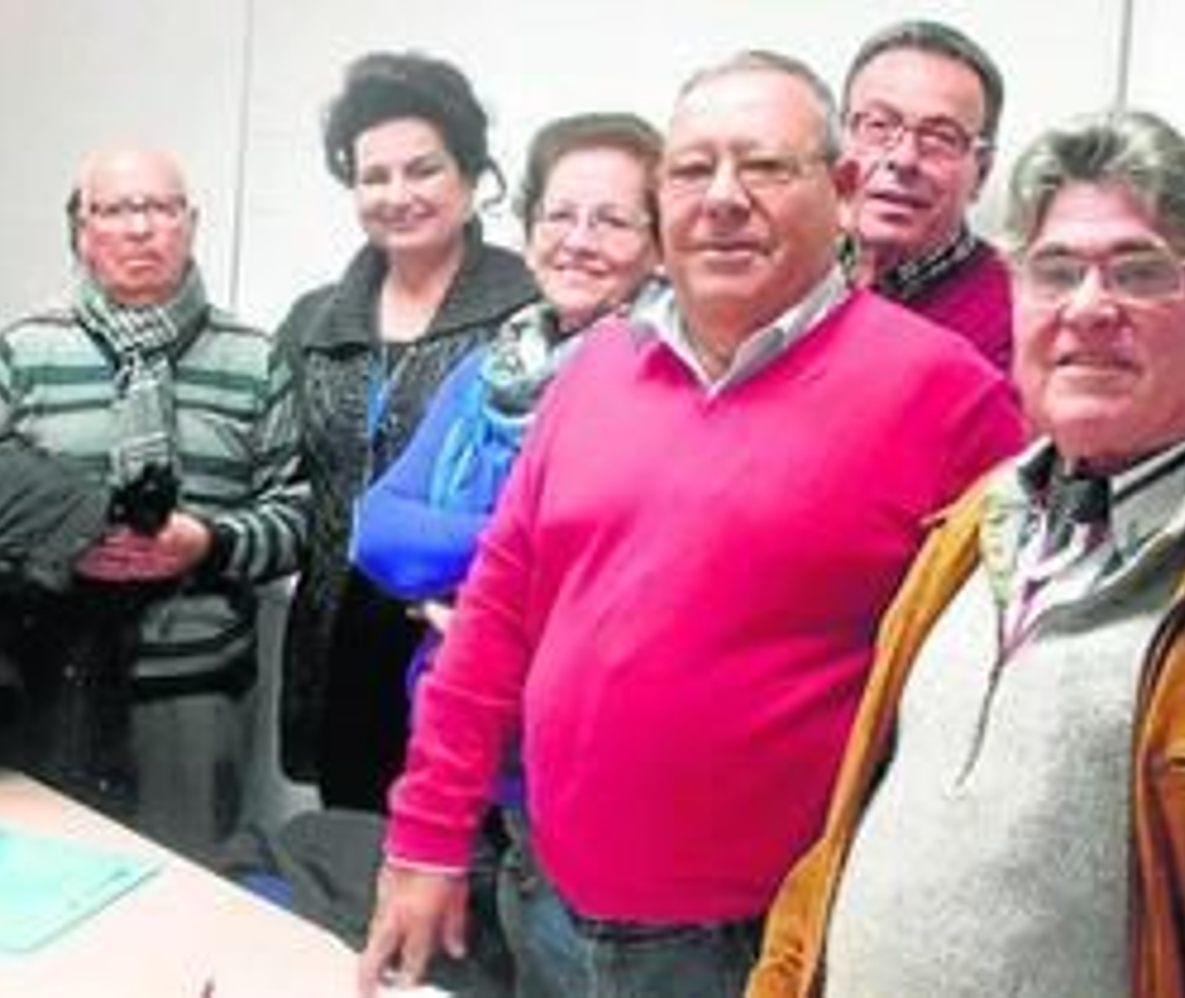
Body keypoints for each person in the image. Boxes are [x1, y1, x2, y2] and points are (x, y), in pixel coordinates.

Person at [359, 51, 1024, 998]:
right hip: (540, 894)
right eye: (691, 168)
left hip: (755, 942)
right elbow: (496, 622)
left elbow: (987, 698)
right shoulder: (594, 372)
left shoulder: (946, 395)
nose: (721, 197)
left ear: (839, 190)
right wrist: (425, 838)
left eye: (763, 166)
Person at [749, 111, 1185, 998]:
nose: (1087, 307)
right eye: (1055, 271)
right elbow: (848, 834)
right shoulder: (975, 523)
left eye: (1142, 271)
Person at [351, 111, 663, 998]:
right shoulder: (493, 368)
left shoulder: (667, 379)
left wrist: (480, 575)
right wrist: (522, 562)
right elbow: (379, 532)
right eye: (559, 215)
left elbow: (628, 561)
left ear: (658, 243)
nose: (578, 241)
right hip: (465, 761)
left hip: (582, 783)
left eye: (611, 220)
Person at [0, 147, 306, 865]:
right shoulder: (25, 349)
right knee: (42, 882)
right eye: (115, 210)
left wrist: (208, 541)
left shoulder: (254, 357)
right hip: (45, 676)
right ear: (81, 230)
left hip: (192, 686)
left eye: (161, 208)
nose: (140, 229)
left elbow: (296, 516)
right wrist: (57, 529)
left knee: (185, 891)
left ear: (191, 224)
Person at [276, 50, 536, 811]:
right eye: (373, 176)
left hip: (464, 647)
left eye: (422, 169)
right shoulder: (313, 324)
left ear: (470, 172)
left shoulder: (529, 315)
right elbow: (289, 487)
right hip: (336, 653)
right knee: (345, 872)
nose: (398, 195)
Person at [840, 19, 1013, 369]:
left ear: (982, 172)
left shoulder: (1017, 317)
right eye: (878, 126)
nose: (903, 159)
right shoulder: (789, 279)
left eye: (940, 137)